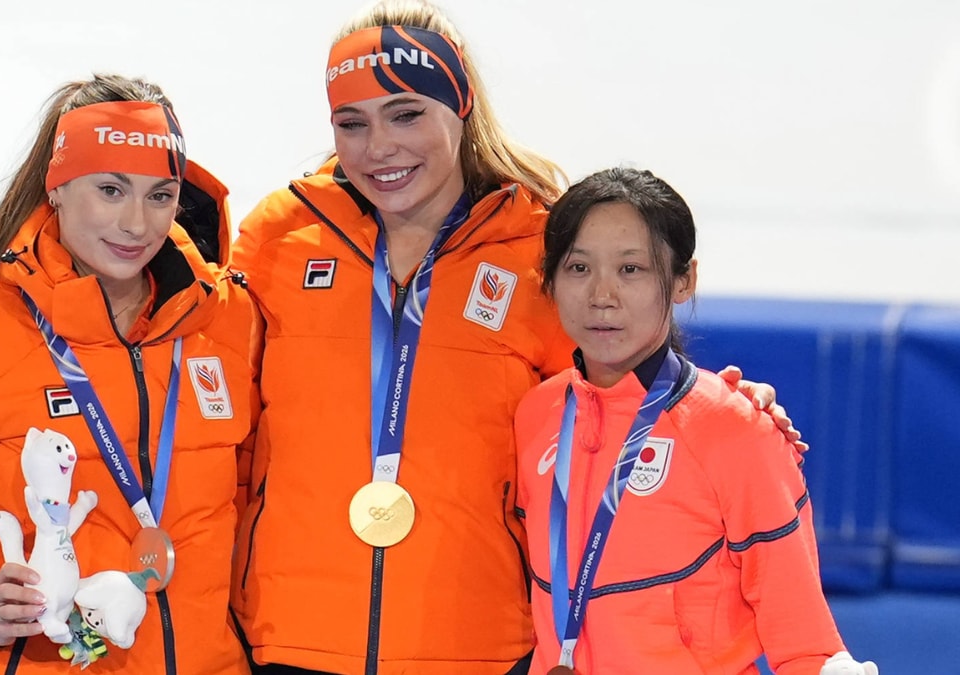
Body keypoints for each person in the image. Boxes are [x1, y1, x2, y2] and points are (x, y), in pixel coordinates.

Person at [229, 2, 801, 674]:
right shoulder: (279, 238)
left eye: (407, 114)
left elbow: (614, 413)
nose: (378, 147)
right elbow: (216, 414)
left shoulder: (539, 244)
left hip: (479, 645)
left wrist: (721, 408)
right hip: (290, 638)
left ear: (461, 104)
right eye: (351, 123)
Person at [0, 74, 257, 675]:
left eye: (160, 195)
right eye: (111, 190)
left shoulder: (224, 319)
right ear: (56, 187)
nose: (138, 224)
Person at [514, 167, 877, 674]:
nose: (602, 295)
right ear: (549, 280)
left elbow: (804, 640)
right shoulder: (536, 414)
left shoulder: (734, 428)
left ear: (684, 280)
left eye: (631, 269)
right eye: (578, 268)